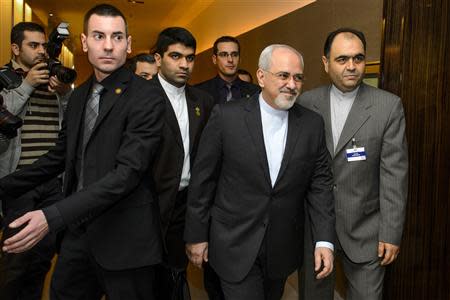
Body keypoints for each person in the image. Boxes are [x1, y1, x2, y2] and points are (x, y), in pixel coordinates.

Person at [0, 4, 165, 300]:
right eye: (99, 36)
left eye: (117, 37)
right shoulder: (77, 96)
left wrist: (52, 216)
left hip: (125, 240)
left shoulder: (147, 95)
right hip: (78, 235)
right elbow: (58, 157)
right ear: (85, 41)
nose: (108, 46)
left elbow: (126, 174)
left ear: (128, 45)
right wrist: (3, 187)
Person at [184, 44, 335, 300]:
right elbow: (203, 180)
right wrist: (196, 236)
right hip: (233, 243)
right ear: (262, 77)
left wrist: (324, 241)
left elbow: (320, 184)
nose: (292, 84)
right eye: (283, 75)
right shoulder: (226, 117)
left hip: (282, 247)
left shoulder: (312, 124)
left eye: (298, 77)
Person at [298, 28, 408, 300]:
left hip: (366, 232)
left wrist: (391, 232)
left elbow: (395, 175)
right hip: (314, 229)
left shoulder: (388, 106)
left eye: (358, 59)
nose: (351, 66)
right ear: (325, 63)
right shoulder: (305, 104)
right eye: (342, 59)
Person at [0, 21, 72, 300]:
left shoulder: (52, 78)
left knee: (42, 260)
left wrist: (65, 94)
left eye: (44, 45)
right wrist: (27, 85)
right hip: (18, 181)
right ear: (16, 48)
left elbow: (71, 125)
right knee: (16, 262)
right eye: (33, 45)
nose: (42, 51)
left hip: (52, 182)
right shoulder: (5, 79)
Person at [150, 27, 214, 299]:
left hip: (185, 205)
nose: (184, 64)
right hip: (147, 205)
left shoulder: (203, 100)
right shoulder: (139, 97)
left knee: (175, 273)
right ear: (157, 58)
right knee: (145, 278)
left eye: (190, 58)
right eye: (175, 56)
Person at [195, 36, 259, 105]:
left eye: (234, 55)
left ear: (240, 59)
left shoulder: (256, 92)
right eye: (224, 55)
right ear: (214, 59)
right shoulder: (200, 92)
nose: (230, 60)